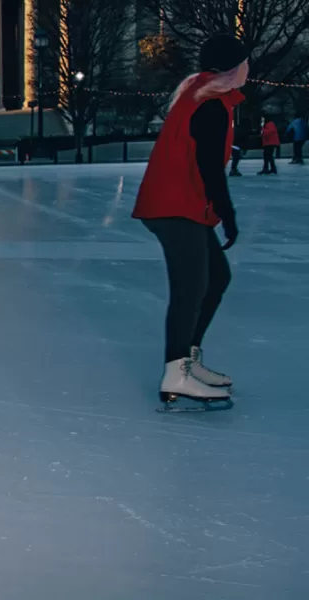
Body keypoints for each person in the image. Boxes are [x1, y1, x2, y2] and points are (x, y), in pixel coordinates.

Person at [131, 33, 247, 408]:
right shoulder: (209, 104)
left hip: (181, 204)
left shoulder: (201, 94)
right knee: (191, 289)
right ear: (234, 69)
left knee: (216, 278)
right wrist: (227, 214)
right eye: (245, 62)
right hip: (174, 206)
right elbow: (209, 167)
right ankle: (176, 372)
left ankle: (188, 361)